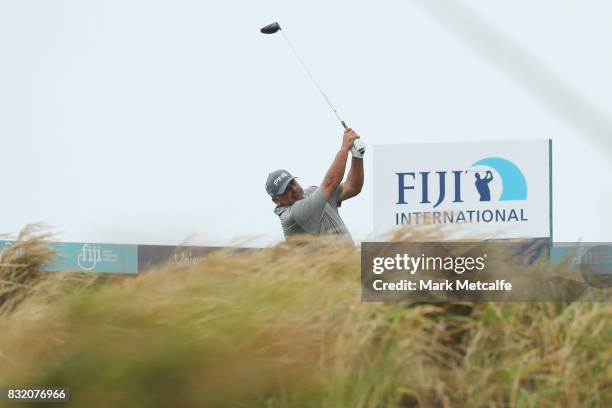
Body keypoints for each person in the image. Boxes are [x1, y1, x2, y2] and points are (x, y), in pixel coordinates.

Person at [265, 128, 364, 242]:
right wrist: (345, 148)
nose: (294, 189)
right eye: (286, 190)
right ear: (276, 201)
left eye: (292, 182)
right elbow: (332, 182)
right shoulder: (293, 215)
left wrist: (357, 156)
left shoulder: (311, 192)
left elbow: (353, 187)